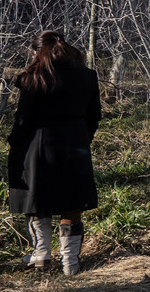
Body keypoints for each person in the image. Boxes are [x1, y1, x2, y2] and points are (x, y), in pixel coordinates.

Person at [6, 31, 102, 275]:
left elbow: (23, 118)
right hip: (75, 143)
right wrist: (83, 139)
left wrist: (15, 142)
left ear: (38, 51)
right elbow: (94, 116)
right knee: (72, 204)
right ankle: (70, 263)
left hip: (39, 145)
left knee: (39, 201)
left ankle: (41, 255)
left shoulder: (34, 76)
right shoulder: (88, 77)